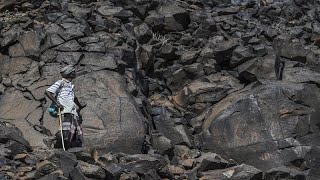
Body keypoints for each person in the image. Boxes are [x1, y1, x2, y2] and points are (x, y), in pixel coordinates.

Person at [44, 65, 85, 150]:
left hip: (71, 109)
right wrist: (57, 103)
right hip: (65, 109)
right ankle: (51, 139)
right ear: (69, 74)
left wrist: (80, 105)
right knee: (66, 128)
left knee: (70, 128)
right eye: (73, 72)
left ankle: (66, 145)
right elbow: (47, 91)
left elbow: (73, 98)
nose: (75, 73)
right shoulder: (61, 82)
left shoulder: (69, 85)